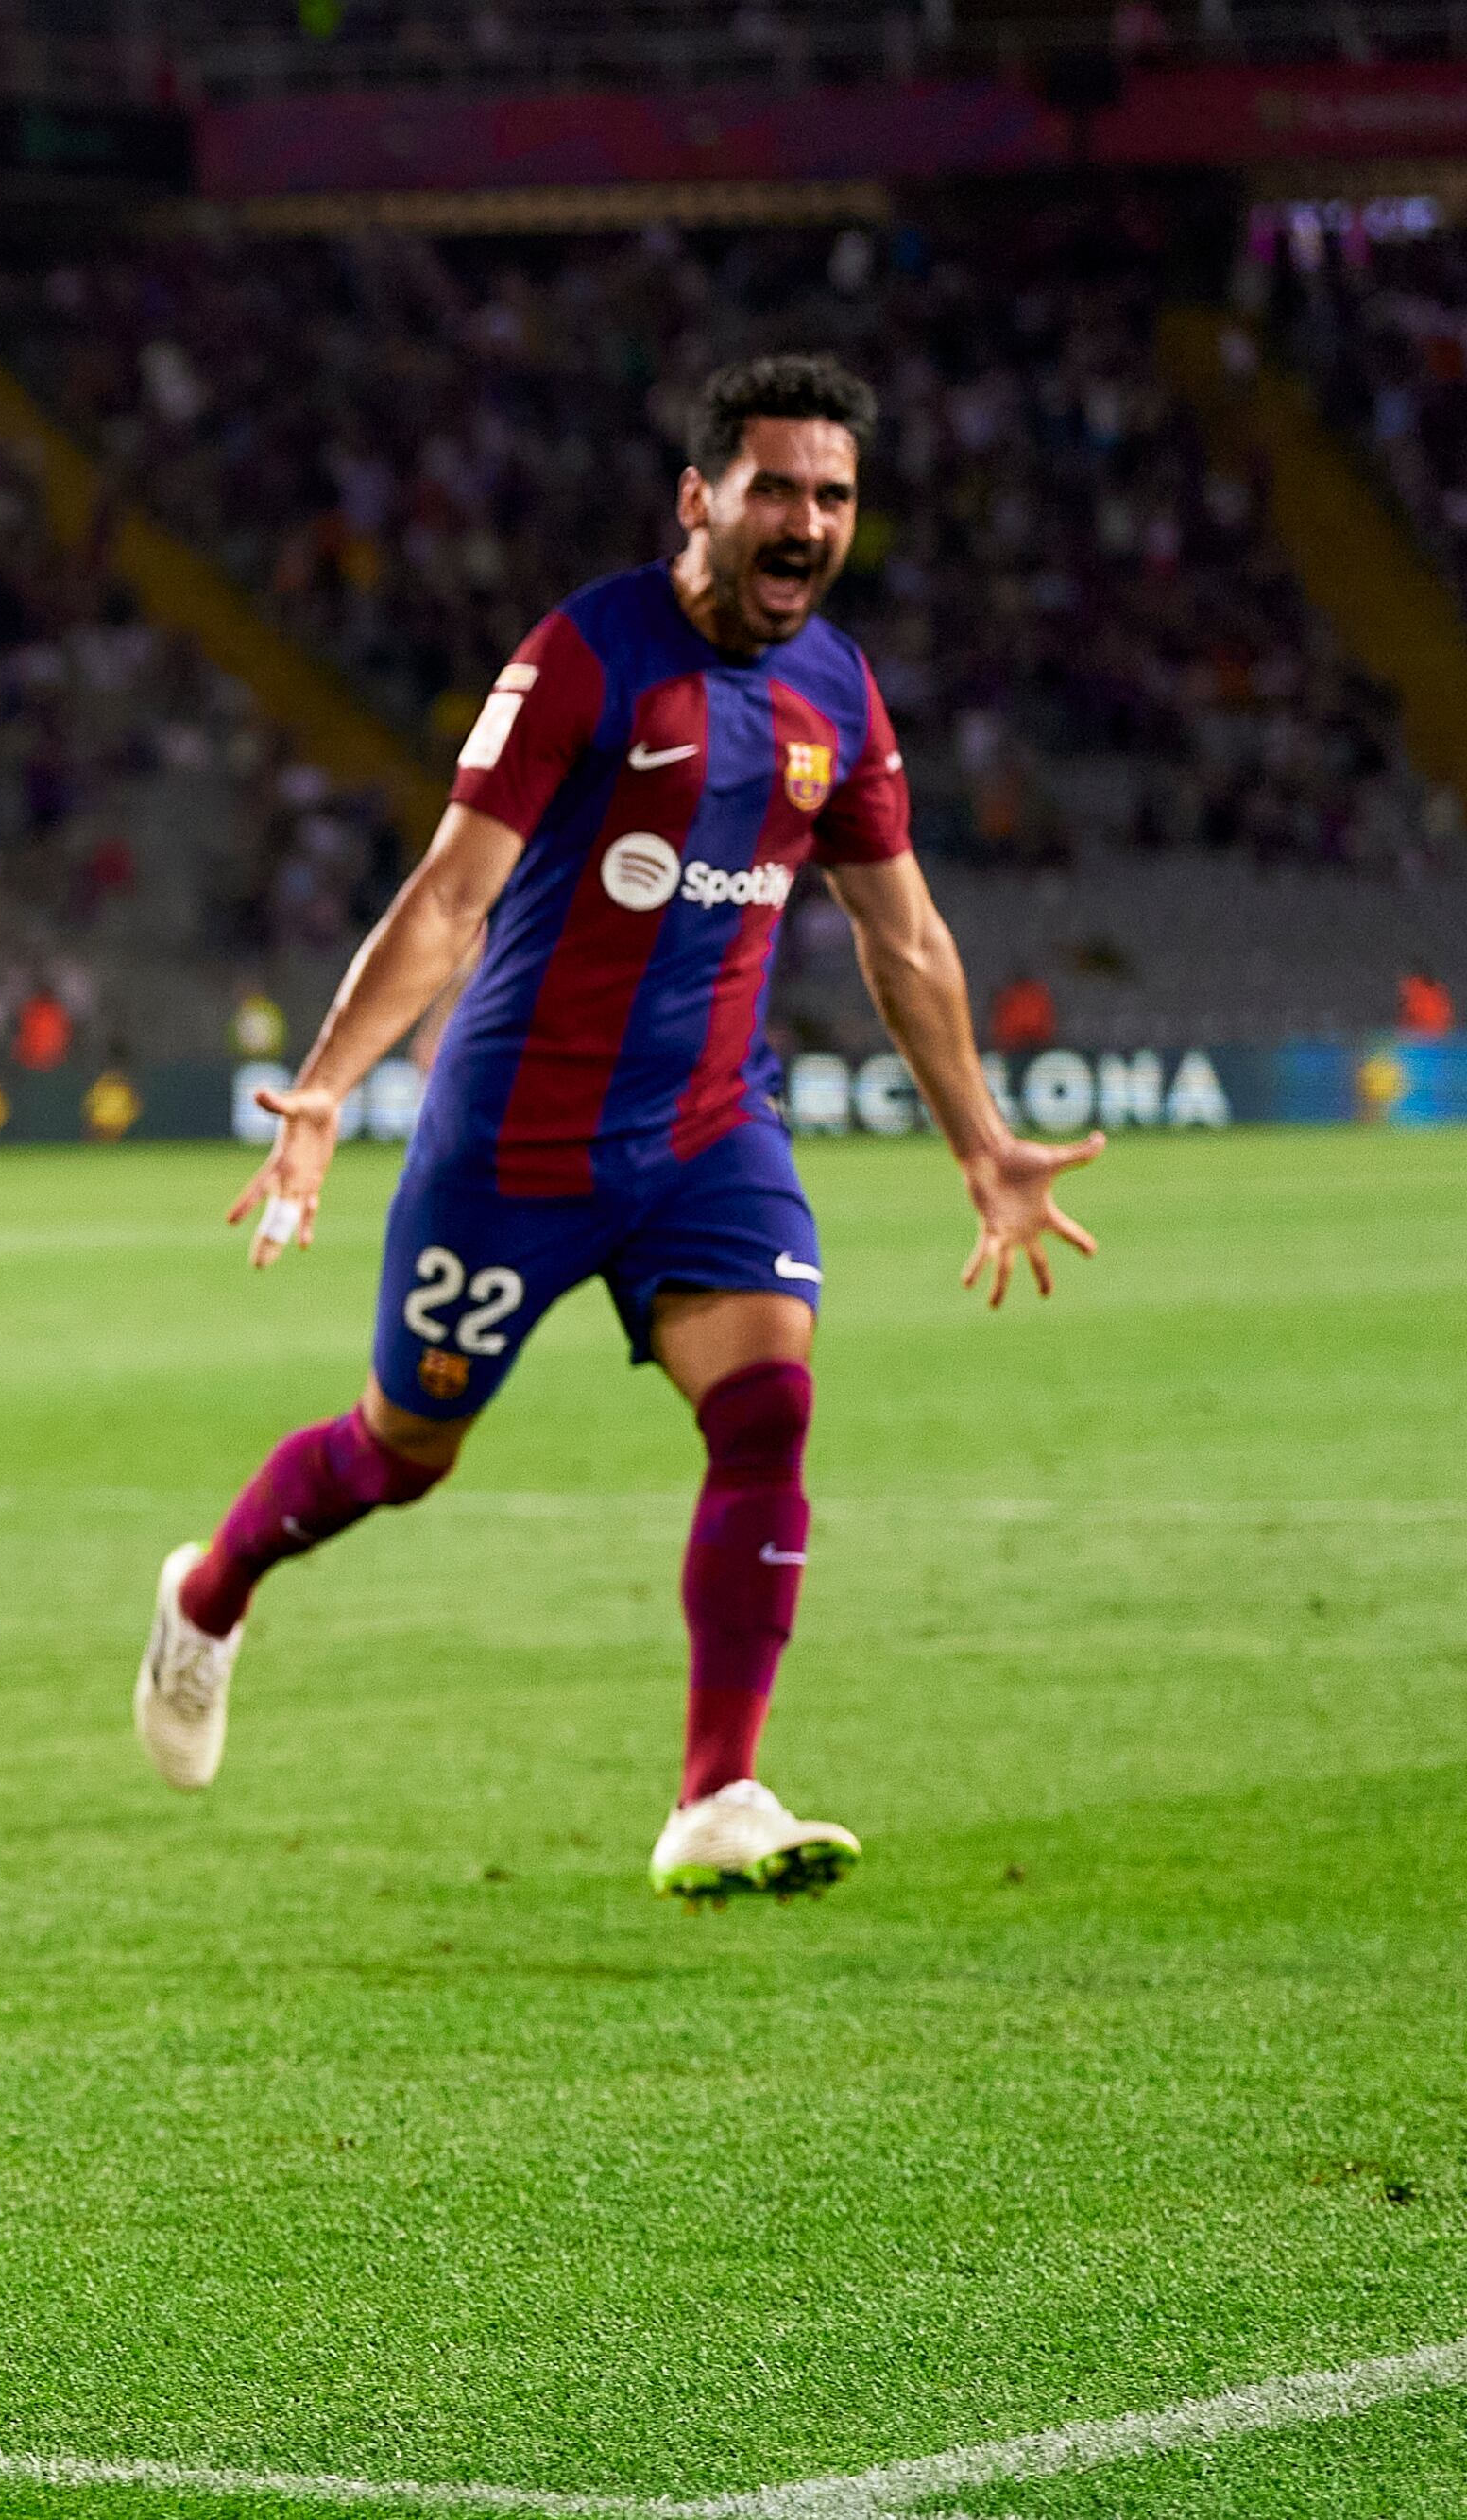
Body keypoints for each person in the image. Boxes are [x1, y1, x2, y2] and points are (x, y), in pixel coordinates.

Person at [133, 354, 1101, 1902]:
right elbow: (452, 894)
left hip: (707, 1132)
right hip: (512, 1144)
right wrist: (323, 1091)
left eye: (834, 495)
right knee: (403, 1451)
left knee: (767, 1407)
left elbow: (902, 935)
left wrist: (982, 1141)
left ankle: (717, 1789)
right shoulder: (587, 657)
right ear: (698, 497)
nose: (807, 521)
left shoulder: (837, 691)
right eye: (775, 488)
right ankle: (213, 1583)